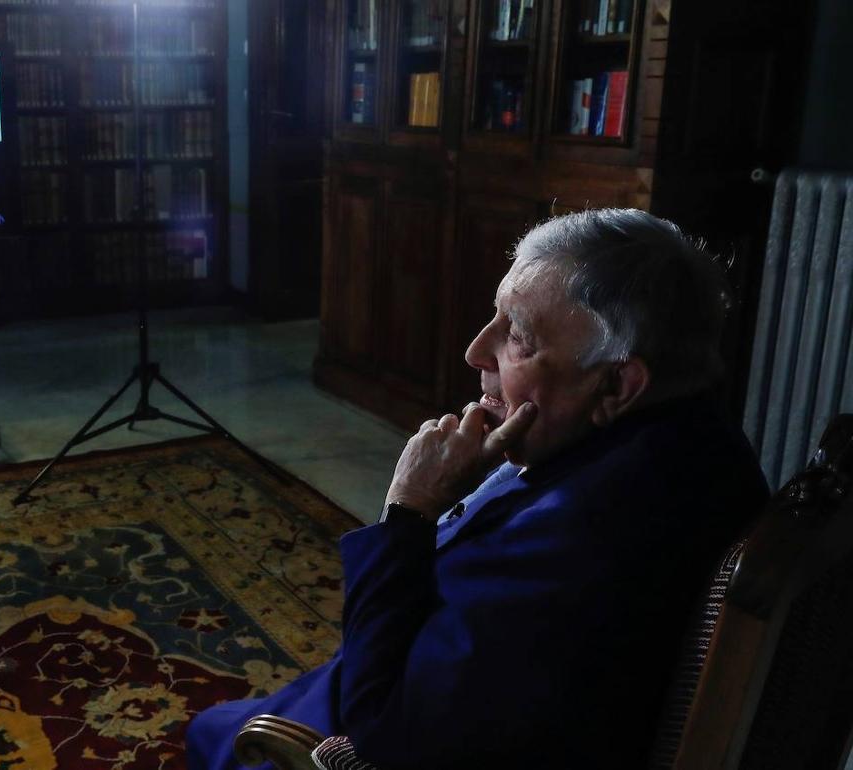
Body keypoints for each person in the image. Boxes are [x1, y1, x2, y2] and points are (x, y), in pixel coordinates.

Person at [185, 209, 770, 770]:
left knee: (213, 732)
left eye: (516, 335)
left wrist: (410, 508)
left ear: (617, 382)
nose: (475, 351)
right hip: (485, 694)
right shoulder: (703, 442)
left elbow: (380, 724)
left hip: (395, 724)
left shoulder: (576, 536)